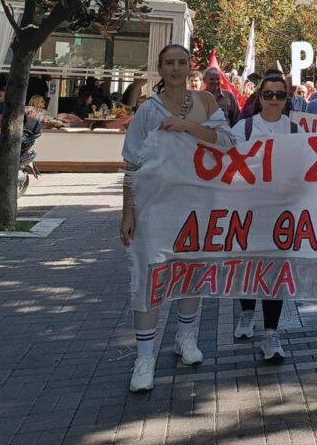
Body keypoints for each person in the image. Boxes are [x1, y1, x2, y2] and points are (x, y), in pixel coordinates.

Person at [120, 44, 233, 392]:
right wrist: (128, 212)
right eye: (169, 63)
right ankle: (144, 357)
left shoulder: (206, 102)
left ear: (189, 67)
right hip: (155, 206)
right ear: (160, 68)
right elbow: (131, 164)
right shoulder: (148, 111)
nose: (175, 68)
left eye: (182, 62)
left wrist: (186, 126)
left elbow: (227, 141)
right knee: (151, 275)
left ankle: (186, 337)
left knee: (191, 271)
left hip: (198, 203)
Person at [230, 73, 298, 362]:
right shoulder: (243, 128)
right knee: (247, 266)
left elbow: (303, 169)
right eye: (268, 94)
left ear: (286, 99)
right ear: (259, 97)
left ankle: (271, 333)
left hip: (280, 212)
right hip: (247, 210)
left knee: (274, 271)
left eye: (280, 95)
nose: (274, 100)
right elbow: (226, 164)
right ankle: (246, 312)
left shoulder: (295, 130)